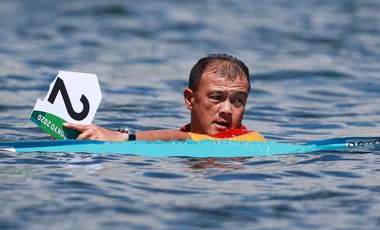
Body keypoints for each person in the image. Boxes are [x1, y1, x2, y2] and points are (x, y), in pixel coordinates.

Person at [64, 54, 265, 142]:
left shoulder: (251, 141)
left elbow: (186, 139)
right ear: (189, 99)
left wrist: (122, 138)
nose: (227, 110)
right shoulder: (174, 140)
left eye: (238, 100)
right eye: (216, 97)